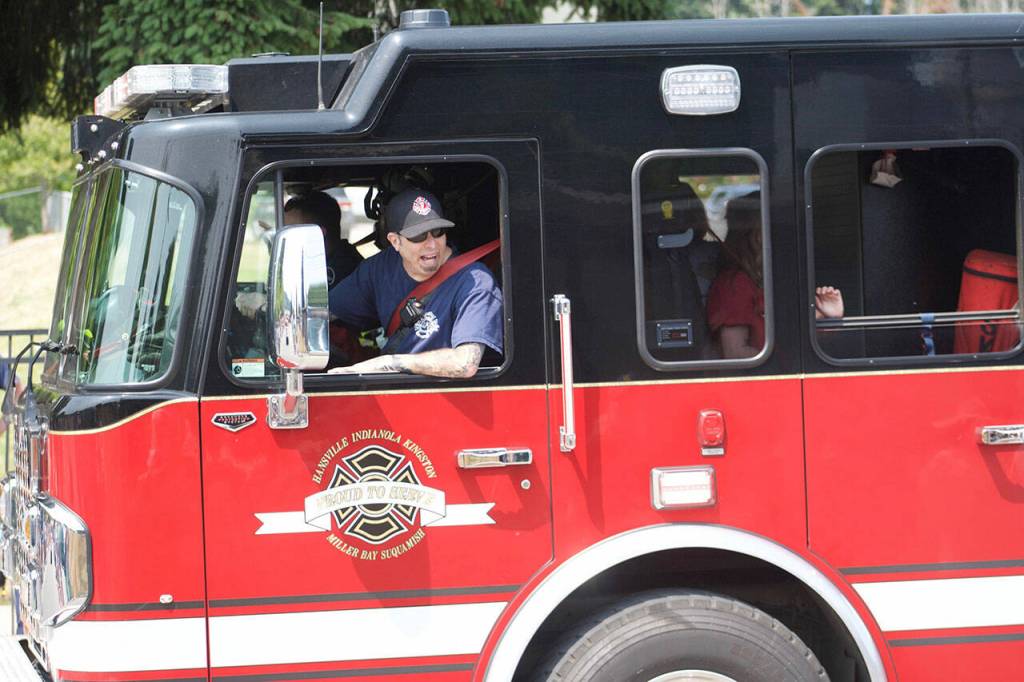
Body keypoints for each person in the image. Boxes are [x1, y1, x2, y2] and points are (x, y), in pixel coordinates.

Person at [328, 188, 503, 378]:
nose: (432, 244)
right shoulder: (381, 267)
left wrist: (388, 363)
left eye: (438, 232)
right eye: (418, 236)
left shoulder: (475, 281)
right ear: (395, 241)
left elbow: (465, 364)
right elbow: (324, 313)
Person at [707, 192, 843, 359]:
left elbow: (797, 339)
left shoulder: (776, 279)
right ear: (757, 235)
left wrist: (830, 318)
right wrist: (788, 363)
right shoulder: (736, 284)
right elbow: (735, 353)